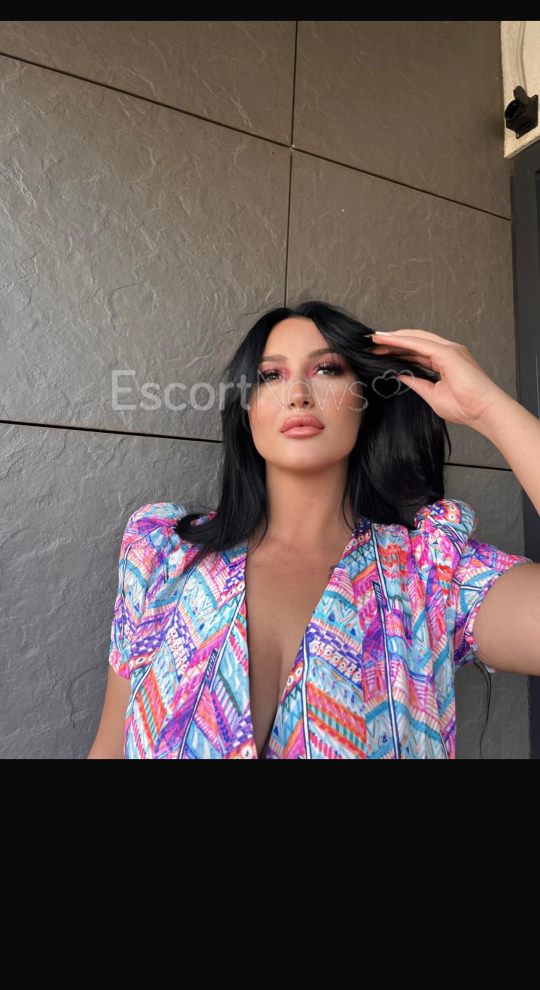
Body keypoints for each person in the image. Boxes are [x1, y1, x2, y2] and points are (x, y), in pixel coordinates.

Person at [87, 299, 540, 759]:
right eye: (270, 375)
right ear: (247, 411)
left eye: (327, 369)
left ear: (364, 401)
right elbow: (108, 751)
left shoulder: (431, 573)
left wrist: (489, 409)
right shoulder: (163, 554)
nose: (299, 394)